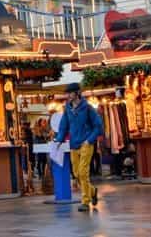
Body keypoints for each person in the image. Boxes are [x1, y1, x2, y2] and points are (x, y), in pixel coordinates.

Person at [54, 82, 104, 212]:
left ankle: (85, 202)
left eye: (70, 93)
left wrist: (90, 140)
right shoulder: (68, 109)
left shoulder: (87, 108)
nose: (68, 95)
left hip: (86, 143)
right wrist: (59, 140)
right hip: (73, 144)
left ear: (77, 93)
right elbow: (63, 126)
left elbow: (98, 126)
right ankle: (92, 191)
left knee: (83, 172)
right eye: (67, 93)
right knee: (76, 173)